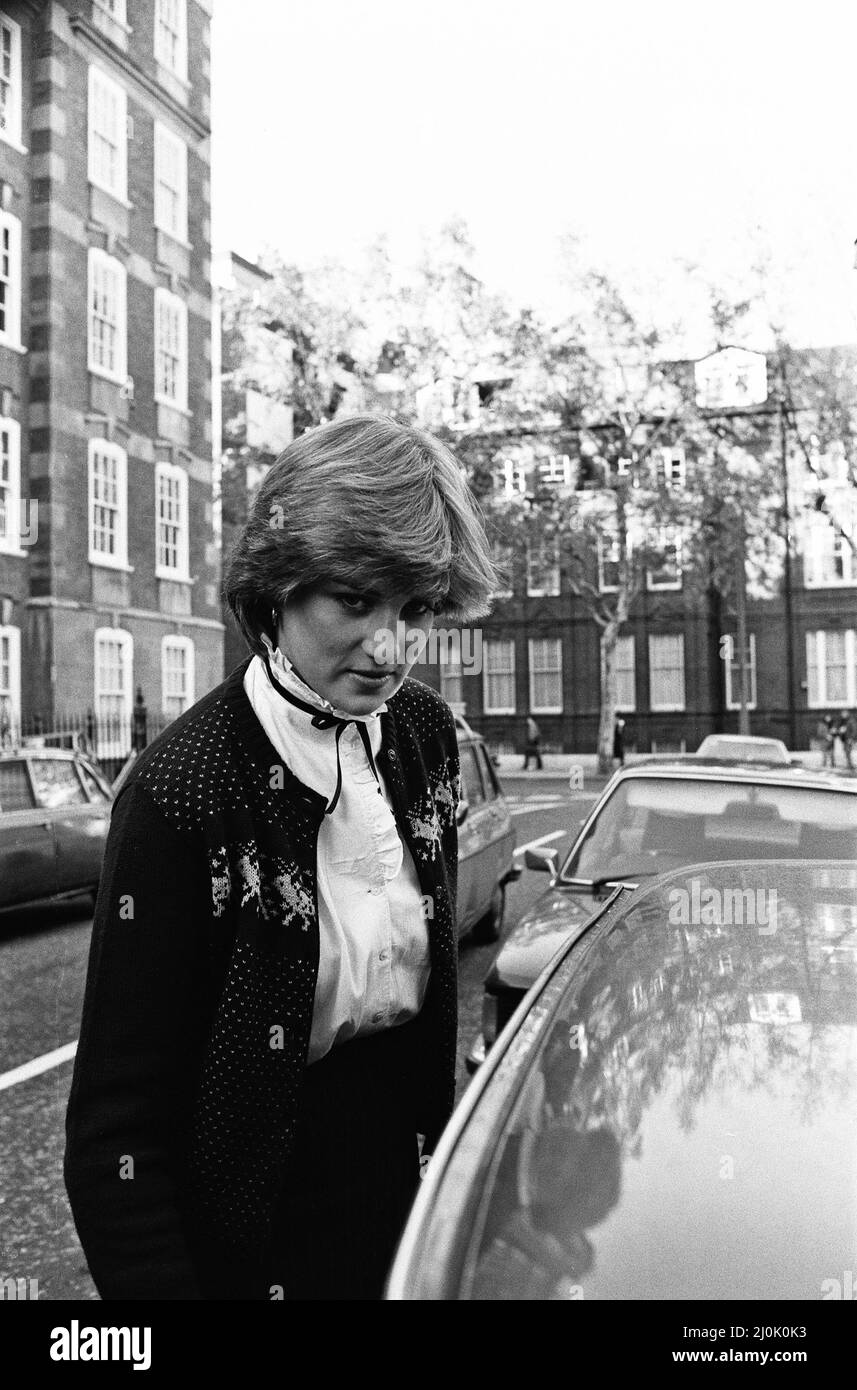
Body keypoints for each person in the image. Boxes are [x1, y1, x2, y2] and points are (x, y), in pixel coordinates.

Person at [64, 414, 499, 1301]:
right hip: (256, 1241)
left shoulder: (418, 732)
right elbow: (117, 1134)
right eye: (353, 599)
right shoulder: (181, 788)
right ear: (276, 590)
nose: (388, 648)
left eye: (413, 608)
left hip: (408, 1214)